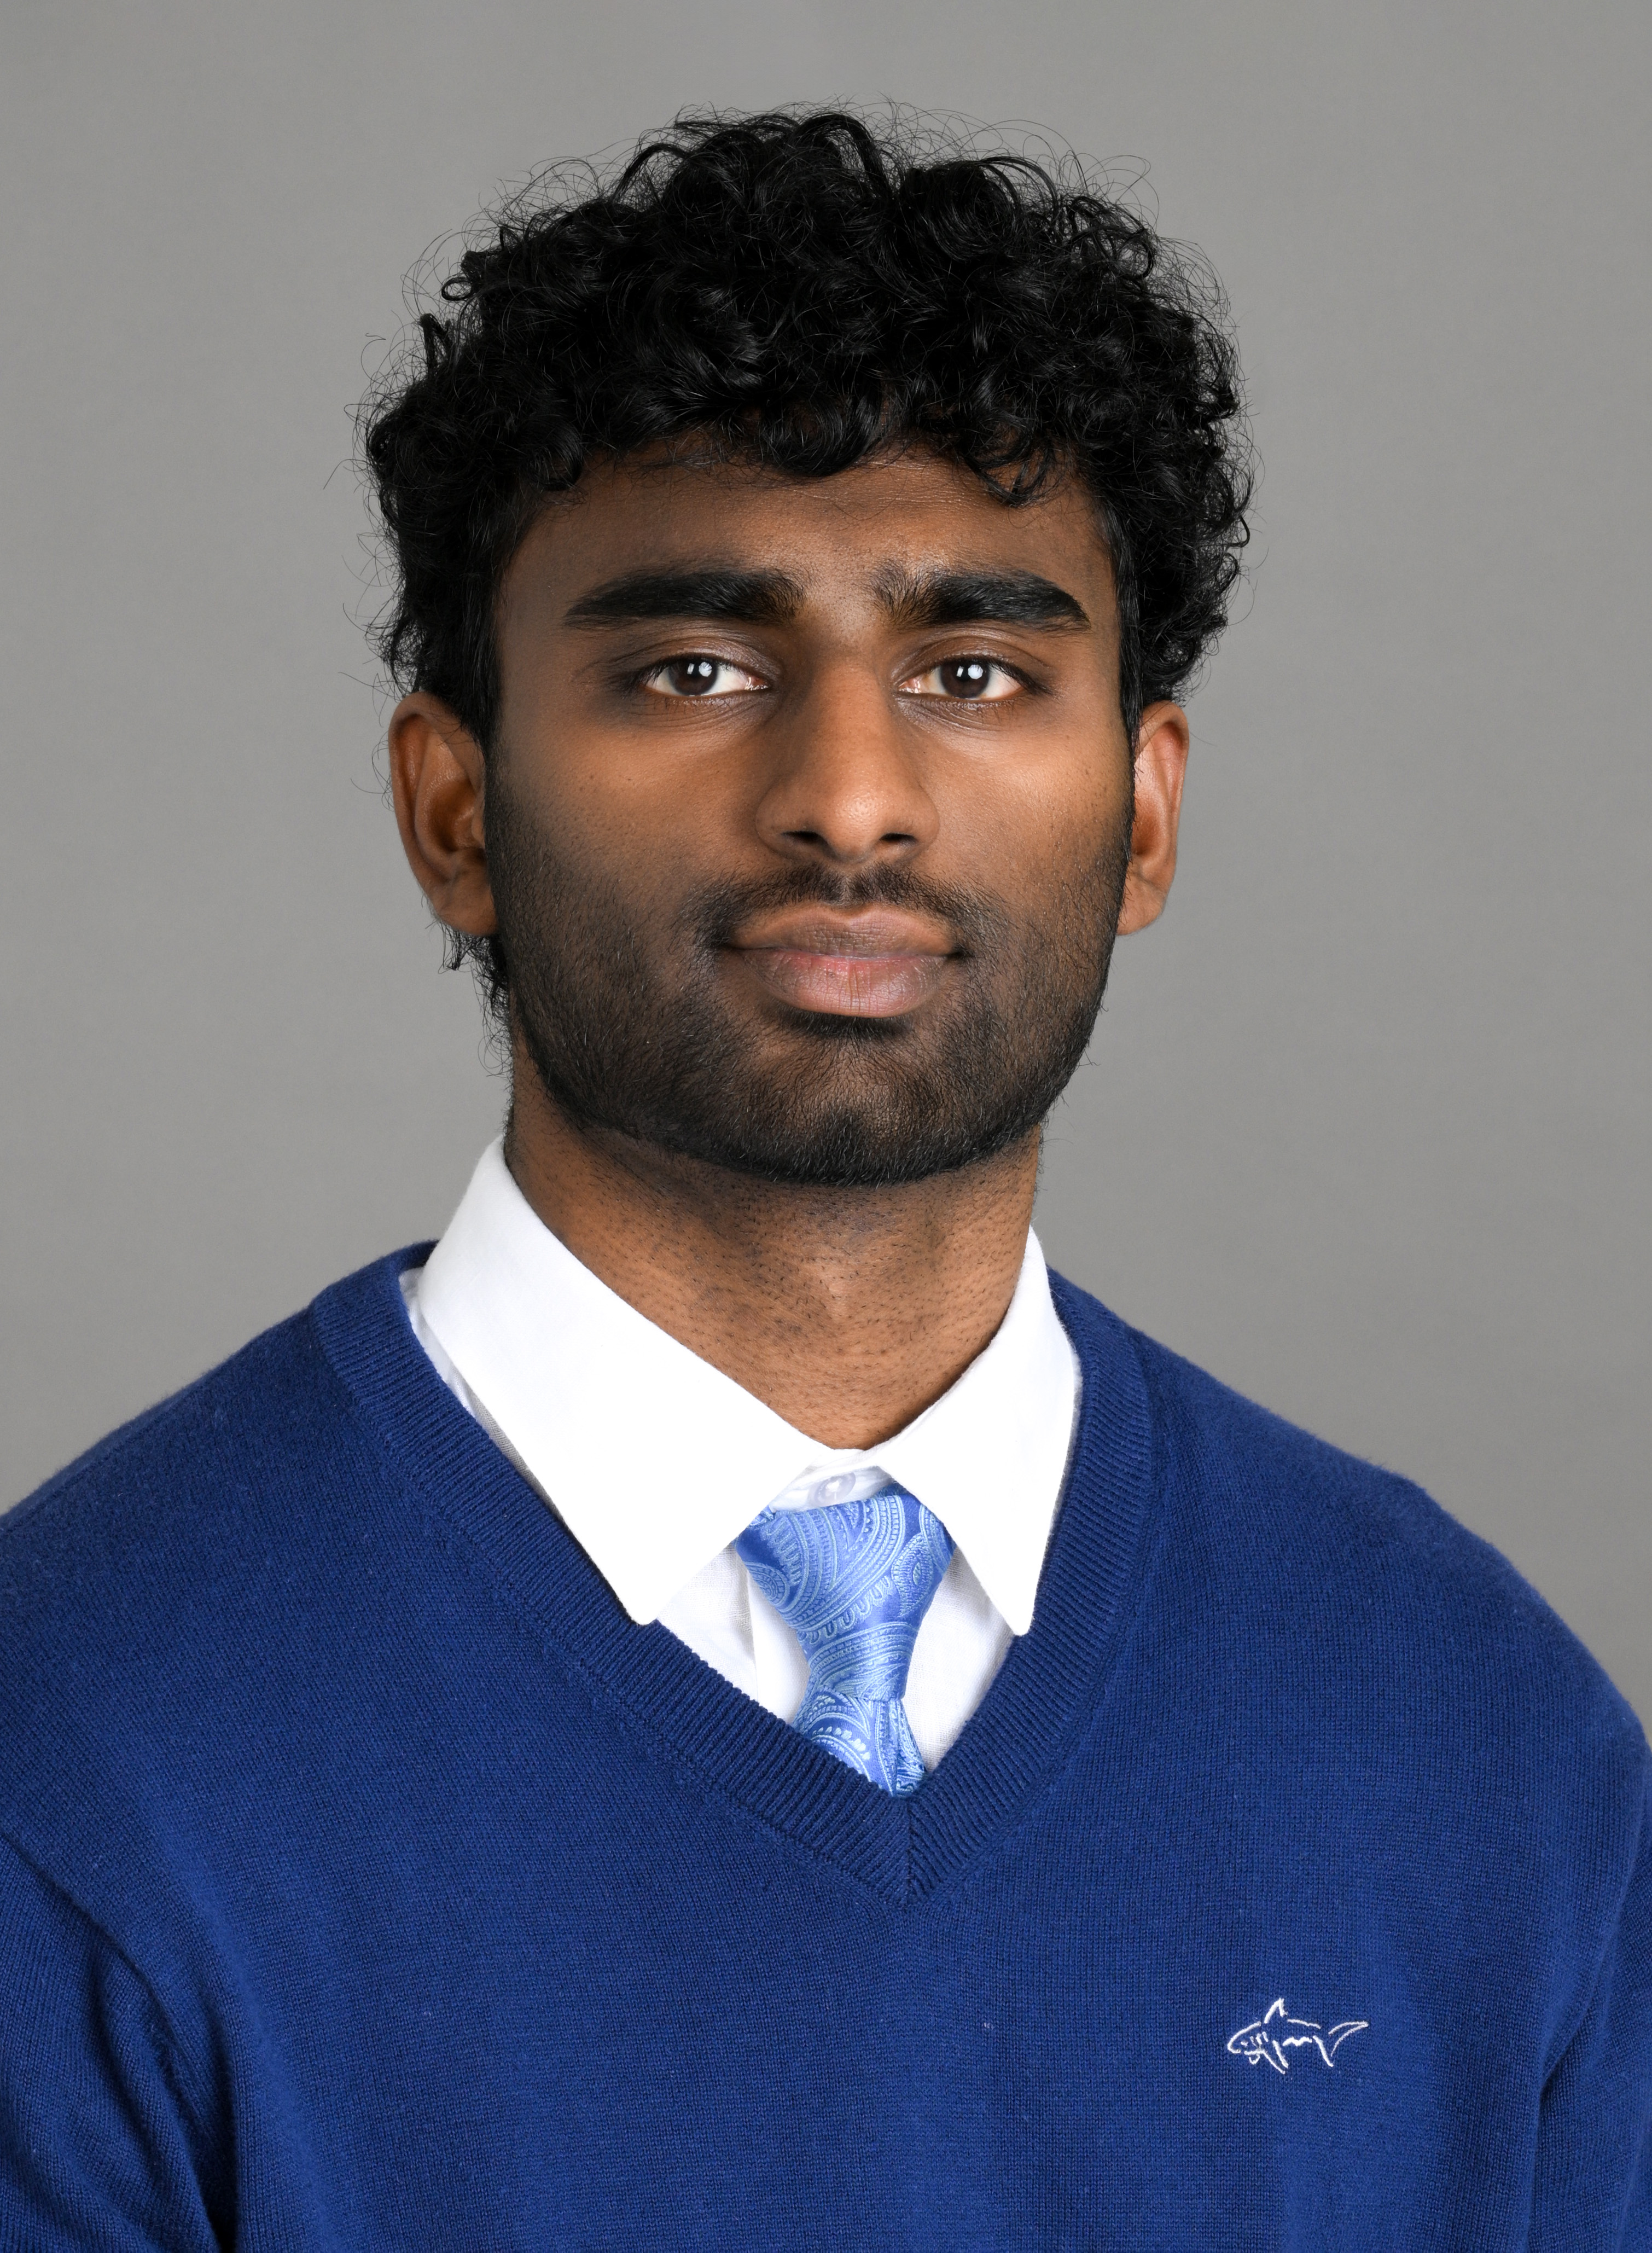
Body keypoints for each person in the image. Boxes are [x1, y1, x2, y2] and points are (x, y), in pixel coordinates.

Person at [1, 108, 1646, 2249]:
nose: (850, 797)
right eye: (693, 668)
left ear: (1142, 816)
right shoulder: (74, 1750)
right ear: (453, 807)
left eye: (974, 672)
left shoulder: (1469, 1733)